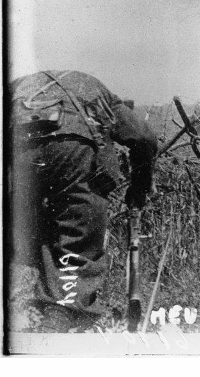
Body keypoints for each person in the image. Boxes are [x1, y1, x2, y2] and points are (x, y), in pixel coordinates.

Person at [9, 70, 158, 331]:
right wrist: (139, 187)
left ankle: (32, 303)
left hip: (20, 147)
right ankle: (62, 313)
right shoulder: (98, 90)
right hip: (73, 152)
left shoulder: (20, 85)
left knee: (23, 225)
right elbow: (143, 138)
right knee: (76, 233)